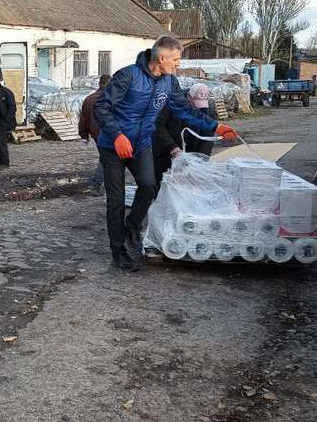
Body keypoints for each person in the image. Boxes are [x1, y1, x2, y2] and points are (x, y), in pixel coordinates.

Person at [93, 36, 238, 271]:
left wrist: (214, 126)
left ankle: (132, 226)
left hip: (141, 144)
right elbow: (102, 107)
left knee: (150, 185)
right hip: (113, 146)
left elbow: (183, 109)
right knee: (117, 199)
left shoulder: (169, 82)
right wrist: (117, 135)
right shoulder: (128, 76)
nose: (178, 64)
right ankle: (118, 250)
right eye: (177, 59)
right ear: (162, 58)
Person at [153, 83, 216, 184]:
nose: (198, 108)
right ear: (188, 97)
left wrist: (201, 160)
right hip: (165, 145)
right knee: (161, 180)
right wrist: (172, 147)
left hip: (190, 146)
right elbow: (159, 125)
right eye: (195, 103)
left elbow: (207, 136)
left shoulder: (208, 109)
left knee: (186, 181)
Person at [78, 74, 110, 189]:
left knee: (105, 157)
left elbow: (83, 118)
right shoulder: (112, 97)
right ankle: (96, 184)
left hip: (96, 133)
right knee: (106, 158)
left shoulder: (89, 98)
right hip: (109, 132)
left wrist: (84, 135)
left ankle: (100, 183)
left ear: (99, 84)